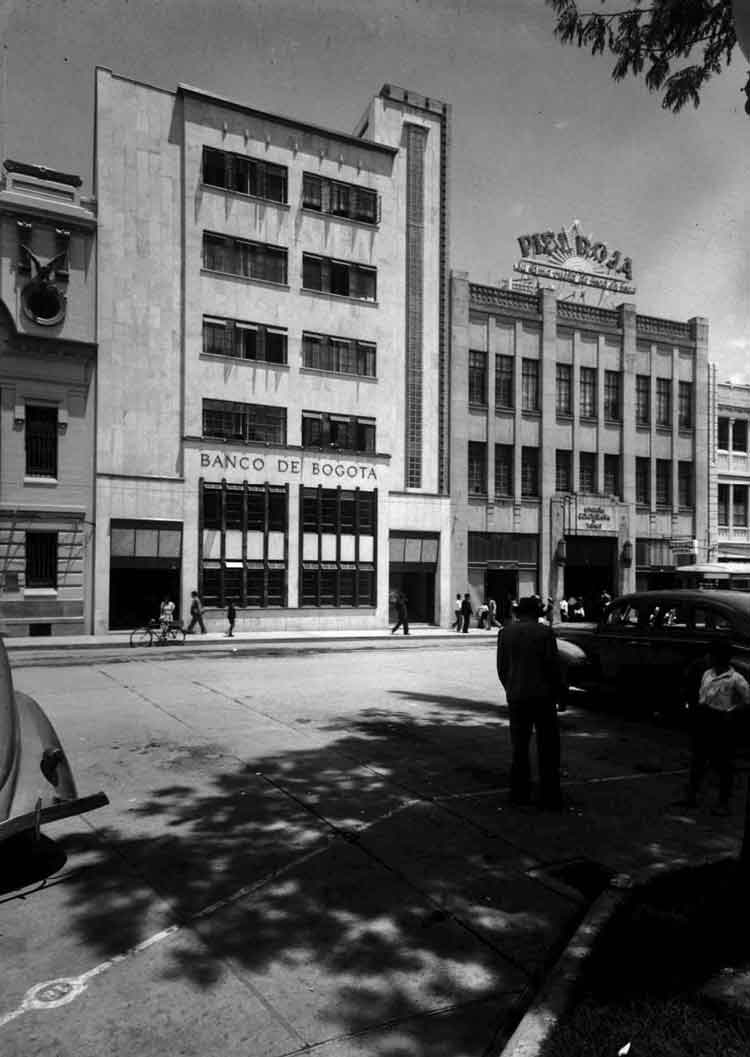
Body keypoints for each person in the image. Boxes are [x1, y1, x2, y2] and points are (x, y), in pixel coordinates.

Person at [497, 594, 564, 809]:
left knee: (520, 747)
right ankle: (550, 794)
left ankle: (519, 793)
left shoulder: (506, 633)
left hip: (517, 696)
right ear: (537, 613)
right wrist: (560, 694)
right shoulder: (545, 632)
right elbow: (553, 667)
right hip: (543, 697)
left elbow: (502, 667)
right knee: (548, 748)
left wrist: (511, 688)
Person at [682, 640, 750, 815]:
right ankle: (691, 796)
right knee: (698, 760)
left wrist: (732, 711)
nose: (707, 657)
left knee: (723, 763)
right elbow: (702, 696)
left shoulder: (736, 679)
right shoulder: (707, 674)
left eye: (711, 655)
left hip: (722, 721)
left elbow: (747, 701)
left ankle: (723, 803)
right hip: (705, 718)